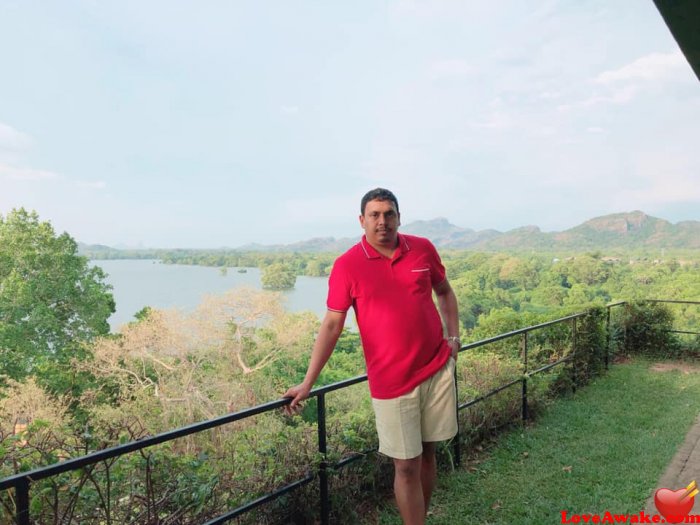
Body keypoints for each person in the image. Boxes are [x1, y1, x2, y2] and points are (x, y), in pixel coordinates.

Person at [283, 188, 460, 525]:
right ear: (361, 221)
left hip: (436, 367)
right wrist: (308, 382)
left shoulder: (421, 249)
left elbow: (445, 292)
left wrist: (453, 336)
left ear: (398, 217)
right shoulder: (347, 265)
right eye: (375, 215)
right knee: (405, 464)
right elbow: (333, 324)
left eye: (389, 214)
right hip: (391, 380)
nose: (383, 221)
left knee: (428, 454)